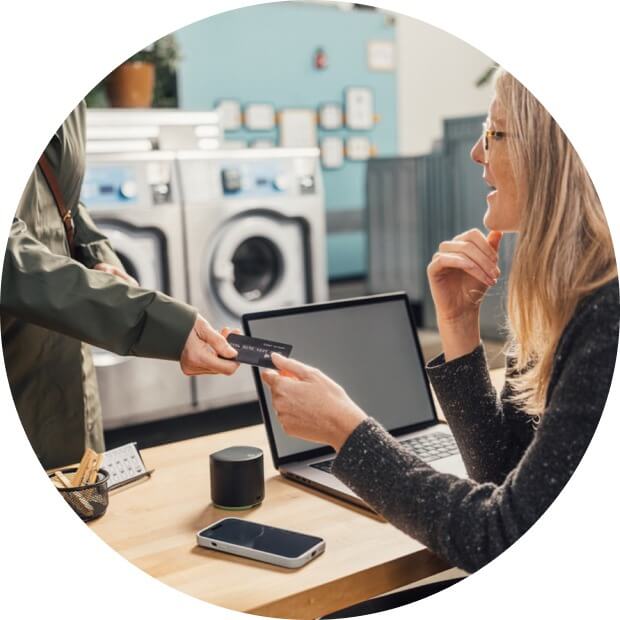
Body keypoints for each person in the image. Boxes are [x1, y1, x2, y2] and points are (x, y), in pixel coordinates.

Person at [261, 68, 618, 590]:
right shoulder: (554, 295)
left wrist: (345, 429)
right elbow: (502, 475)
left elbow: (503, 537)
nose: (477, 153)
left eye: (494, 133)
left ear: (551, 154)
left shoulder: (604, 314)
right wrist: (457, 325)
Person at [0, 102, 239, 471]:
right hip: (19, 336)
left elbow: (62, 199)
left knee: (78, 481)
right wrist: (155, 321)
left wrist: (97, 255)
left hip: (67, 326)